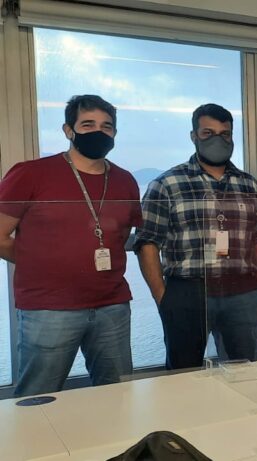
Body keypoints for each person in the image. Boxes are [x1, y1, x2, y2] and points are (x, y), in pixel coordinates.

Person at [0, 95, 140, 396]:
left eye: (106, 126)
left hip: (112, 305)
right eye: (87, 124)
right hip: (48, 308)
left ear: (115, 133)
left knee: (118, 396)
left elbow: (119, 236)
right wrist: (40, 263)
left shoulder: (125, 181)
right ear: (68, 130)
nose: (98, 132)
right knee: (38, 400)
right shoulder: (30, 174)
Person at [135, 104, 257, 370]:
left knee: (249, 372)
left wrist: (256, 280)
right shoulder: (167, 184)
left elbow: (255, 239)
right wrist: (163, 298)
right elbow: (147, 243)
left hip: (242, 291)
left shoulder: (248, 184)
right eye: (208, 133)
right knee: (185, 374)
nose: (218, 139)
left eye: (225, 134)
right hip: (188, 291)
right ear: (193, 136)